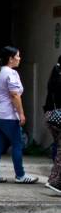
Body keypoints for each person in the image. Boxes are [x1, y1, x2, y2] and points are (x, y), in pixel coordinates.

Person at [0, 46, 38, 184]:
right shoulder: (11, 73)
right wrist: (21, 113)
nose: (19, 58)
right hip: (7, 115)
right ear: (10, 59)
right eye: (18, 56)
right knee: (17, 143)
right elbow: (14, 95)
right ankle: (20, 175)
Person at [43, 56, 61, 194]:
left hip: (51, 117)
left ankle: (53, 179)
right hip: (59, 117)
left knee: (58, 148)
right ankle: (56, 182)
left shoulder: (54, 76)